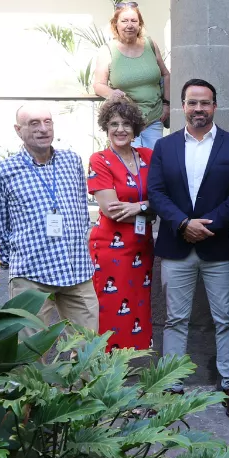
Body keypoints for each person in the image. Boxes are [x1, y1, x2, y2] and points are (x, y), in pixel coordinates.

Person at [147, 79, 229, 408]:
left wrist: (208, 225)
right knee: (175, 319)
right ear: (182, 106)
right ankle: (172, 383)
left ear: (215, 107)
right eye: (192, 103)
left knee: (226, 318)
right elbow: (156, 192)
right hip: (177, 247)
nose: (198, 109)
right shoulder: (164, 148)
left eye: (205, 103)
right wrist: (182, 224)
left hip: (218, 245)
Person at [0, 104, 98, 331]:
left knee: (89, 349)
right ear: (18, 130)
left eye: (48, 122)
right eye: (34, 123)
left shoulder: (72, 161)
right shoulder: (1, 172)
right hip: (32, 274)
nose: (43, 129)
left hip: (76, 269)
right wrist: (20, 260)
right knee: (29, 352)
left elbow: (81, 210)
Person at [88, 99, 154, 350]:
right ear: (106, 127)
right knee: (111, 308)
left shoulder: (149, 156)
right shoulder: (99, 160)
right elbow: (112, 210)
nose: (120, 129)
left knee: (139, 306)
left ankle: (133, 371)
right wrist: (150, 207)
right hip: (110, 248)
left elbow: (163, 198)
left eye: (126, 124)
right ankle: (104, 373)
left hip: (142, 246)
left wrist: (140, 207)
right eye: (114, 124)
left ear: (135, 128)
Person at [93, 2, 171, 149]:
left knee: (153, 162)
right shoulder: (107, 50)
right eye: (124, 21)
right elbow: (98, 85)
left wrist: (167, 104)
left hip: (154, 116)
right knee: (130, 163)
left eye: (134, 21)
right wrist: (112, 93)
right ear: (115, 24)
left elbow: (166, 75)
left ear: (140, 24)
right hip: (125, 120)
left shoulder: (150, 45)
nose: (130, 25)